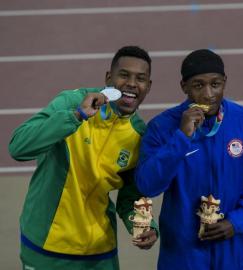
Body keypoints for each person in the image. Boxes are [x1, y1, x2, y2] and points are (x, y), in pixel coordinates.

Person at [9, 46, 158, 270]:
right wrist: (76, 116)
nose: (131, 83)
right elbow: (18, 147)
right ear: (109, 78)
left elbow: (131, 197)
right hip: (47, 245)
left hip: (99, 253)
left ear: (148, 86)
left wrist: (144, 226)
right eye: (124, 75)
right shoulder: (72, 102)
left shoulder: (139, 136)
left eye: (140, 78)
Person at [135, 49, 243, 269]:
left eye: (215, 84)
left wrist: (236, 221)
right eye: (198, 85)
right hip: (183, 255)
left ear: (225, 82)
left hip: (235, 251)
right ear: (184, 87)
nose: (208, 94)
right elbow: (148, 185)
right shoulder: (162, 127)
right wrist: (181, 137)